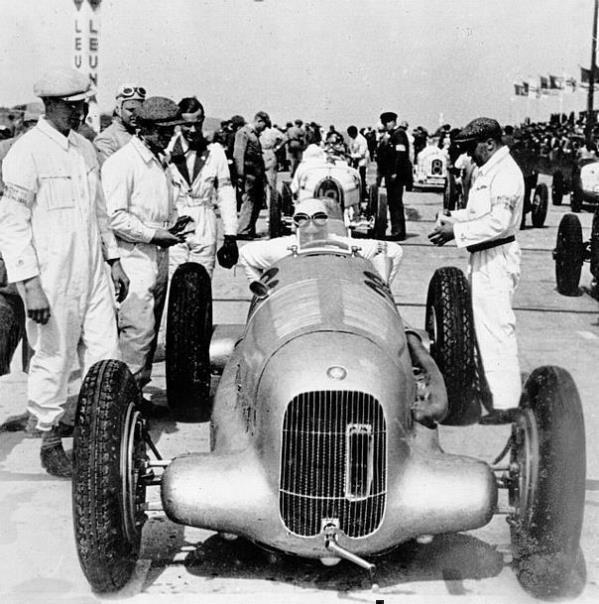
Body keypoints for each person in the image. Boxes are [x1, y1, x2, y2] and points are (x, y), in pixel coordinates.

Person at [0, 67, 129, 477]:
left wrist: (114, 259)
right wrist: (30, 285)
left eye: (83, 105)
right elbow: (13, 223)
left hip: (91, 269)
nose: (80, 113)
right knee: (53, 357)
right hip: (51, 274)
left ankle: (99, 435)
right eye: (73, 106)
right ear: (51, 105)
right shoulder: (27, 150)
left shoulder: (84, 149)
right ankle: (51, 438)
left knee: (106, 353)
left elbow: (100, 211)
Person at [428, 117, 524, 423]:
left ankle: (506, 404)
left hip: (497, 257)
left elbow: (499, 222)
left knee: (497, 328)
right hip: (482, 255)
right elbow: (476, 213)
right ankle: (491, 390)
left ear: (490, 143)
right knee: (480, 325)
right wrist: (451, 218)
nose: (469, 156)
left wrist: (456, 233)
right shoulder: (487, 171)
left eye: (473, 149)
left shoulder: (507, 174)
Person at [102, 96, 183, 417]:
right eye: (162, 131)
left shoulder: (158, 161)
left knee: (149, 333)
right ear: (143, 128)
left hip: (157, 256)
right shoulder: (122, 163)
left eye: (171, 131)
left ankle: (137, 399)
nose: (168, 137)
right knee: (136, 334)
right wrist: (152, 234)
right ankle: (121, 410)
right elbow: (113, 216)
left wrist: (173, 226)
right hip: (133, 256)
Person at [239, 197, 403, 283]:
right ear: (296, 222)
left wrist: (381, 286)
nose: (311, 224)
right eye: (303, 219)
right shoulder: (280, 247)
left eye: (319, 217)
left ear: (326, 220)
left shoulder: (346, 245)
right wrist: (263, 293)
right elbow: (245, 253)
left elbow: (392, 250)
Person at [167, 96, 238, 277]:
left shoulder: (215, 152)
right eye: (186, 124)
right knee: (173, 286)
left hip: (204, 222)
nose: (192, 130)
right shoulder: (166, 150)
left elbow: (225, 194)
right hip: (174, 220)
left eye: (197, 124)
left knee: (202, 283)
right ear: (178, 123)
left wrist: (230, 235)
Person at [377, 112, 412, 240]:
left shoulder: (399, 135)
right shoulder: (393, 135)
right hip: (391, 174)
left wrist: (395, 172)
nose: (385, 126)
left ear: (391, 122)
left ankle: (398, 232)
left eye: (386, 123)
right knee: (392, 203)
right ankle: (395, 230)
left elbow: (400, 156)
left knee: (396, 203)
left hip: (396, 175)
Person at [234, 111, 268, 239]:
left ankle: (250, 229)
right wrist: (240, 174)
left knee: (257, 202)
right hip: (249, 173)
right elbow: (238, 154)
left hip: (256, 173)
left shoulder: (254, 134)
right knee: (249, 200)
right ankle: (242, 230)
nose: (264, 129)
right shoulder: (243, 133)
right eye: (264, 125)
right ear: (259, 121)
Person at [93, 83, 146, 165]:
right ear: (118, 110)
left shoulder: (144, 135)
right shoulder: (106, 140)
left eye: (140, 110)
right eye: (131, 110)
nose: (136, 114)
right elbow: (111, 172)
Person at [260, 117, 285, 212]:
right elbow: (284, 138)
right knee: (271, 181)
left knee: (261, 181)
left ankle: (264, 202)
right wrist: (277, 147)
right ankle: (271, 203)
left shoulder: (258, 131)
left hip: (261, 153)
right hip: (270, 153)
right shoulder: (274, 131)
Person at [347, 125, 369, 199]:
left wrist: (351, 156)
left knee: (362, 178)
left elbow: (361, 153)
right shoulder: (353, 139)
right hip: (356, 161)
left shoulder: (362, 140)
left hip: (362, 162)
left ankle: (363, 194)